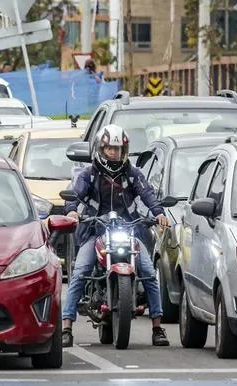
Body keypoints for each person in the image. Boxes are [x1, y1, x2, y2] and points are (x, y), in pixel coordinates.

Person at [62, 124, 171, 348]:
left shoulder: (132, 173)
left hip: (128, 231)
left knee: (149, 273)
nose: (114, 153)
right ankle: (66, 327)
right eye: (110, 149)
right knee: (80, 271)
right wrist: (72, 210)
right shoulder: (89, 174)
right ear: (101, 149)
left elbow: (147, 193)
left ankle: (157, 327)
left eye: (118, 150)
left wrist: (159, 213)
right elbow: (74, 193)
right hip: (96, 231)